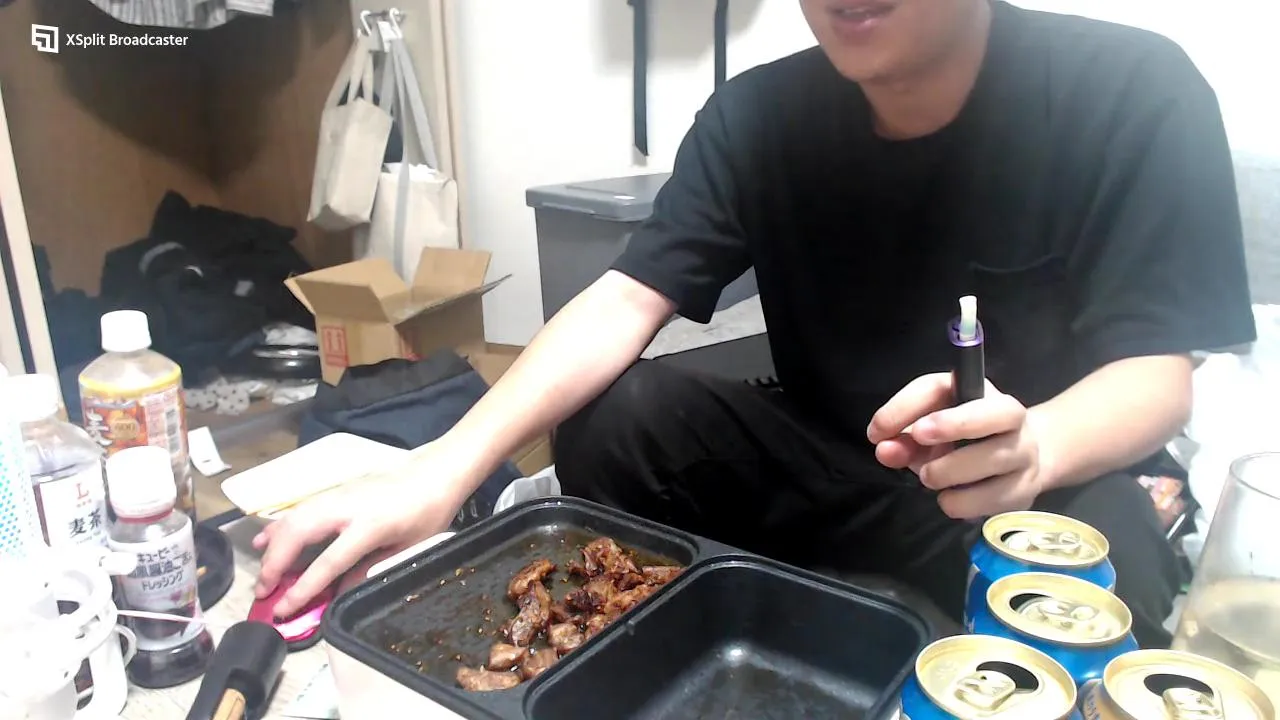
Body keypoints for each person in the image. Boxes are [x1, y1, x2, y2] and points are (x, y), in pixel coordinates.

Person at [255, 0, 1253, 648]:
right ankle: (741, 631)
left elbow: (1156, 371)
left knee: (1115, 565)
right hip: (828, 464)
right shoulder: (757, 115)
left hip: (1023, 488)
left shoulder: (1130, 90)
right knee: (618, 417)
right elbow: (624, 298)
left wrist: (1036, 447)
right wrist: (442, 469)